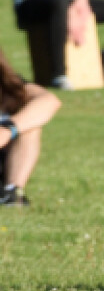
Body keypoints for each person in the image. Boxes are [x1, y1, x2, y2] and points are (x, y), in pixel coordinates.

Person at [0, 47, 61, 208]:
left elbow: (49, 101)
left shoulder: (9, 86)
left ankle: (12, 193)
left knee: (29, 127)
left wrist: (8, 129)